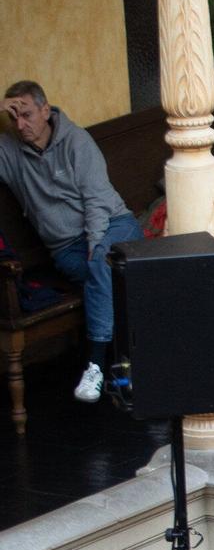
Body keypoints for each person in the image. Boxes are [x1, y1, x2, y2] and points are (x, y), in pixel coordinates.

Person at [0, 80, 145, 403]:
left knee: (101, 266)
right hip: (66, 249)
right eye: (13, 117)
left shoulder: (76, 140)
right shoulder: (9, 152)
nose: (20, 124)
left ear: (45, 110)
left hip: (114, 226)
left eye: (27, 114)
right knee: (114, 279)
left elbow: (96, 200)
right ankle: (131, 369)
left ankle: (96, 365)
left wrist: (95, 245)